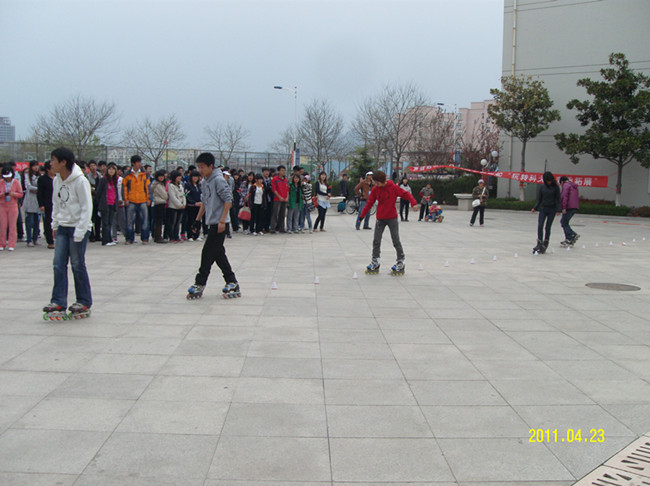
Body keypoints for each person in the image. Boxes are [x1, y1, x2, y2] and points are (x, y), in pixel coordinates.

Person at [42, 147, 93, 319]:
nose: (51, 163)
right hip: (63, 227)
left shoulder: (80, 181)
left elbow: (87, 208)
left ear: (63, 162)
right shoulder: (57, 180)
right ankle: (58, 300)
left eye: (53, 160)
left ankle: (83, 300)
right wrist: (55, 224)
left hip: (78, 227)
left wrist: (80, 232)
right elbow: (56, 204)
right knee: (58, 264)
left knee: (77, 265)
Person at [186, 152, 240, 299]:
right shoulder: (205, 182)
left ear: (211, 166)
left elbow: (228, 200)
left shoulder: (218, 180)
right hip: (211, 222)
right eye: (198, 167)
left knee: (207, 253)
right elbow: (204, 202)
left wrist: (222, 221)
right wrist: (197, 220)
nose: (200, 170)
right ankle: (232, 282)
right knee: (218, 254)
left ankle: (200, 283)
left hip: (219, 224)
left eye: (202, 167)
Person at [360, 170, 417, 275]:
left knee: (395, 240)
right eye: (375, 182)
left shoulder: (393, 188)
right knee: (376, 240)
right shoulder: (375, 190)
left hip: (392, 218)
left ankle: (400, 261)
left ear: (382, 181)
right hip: (380, 219)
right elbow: (369, 203)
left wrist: (413, 203)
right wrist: (361, 216)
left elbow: (406, 194)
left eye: (377, 182)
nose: (376, 184)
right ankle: (375, 261)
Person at [122, 155, 151, 244]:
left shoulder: (144, 174)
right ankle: (129, 238)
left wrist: (148, 199)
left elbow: (148, 187)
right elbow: (124, 188)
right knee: (130, 221)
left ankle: (145, 238)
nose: (139, 164)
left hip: (142, 200)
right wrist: (125, 199)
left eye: (140, 162)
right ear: (133, 163)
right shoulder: (127, 174)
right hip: (131, 200)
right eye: (138, 162)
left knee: (144, 220)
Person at [531, 171, 561, 254]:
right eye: (547, 181)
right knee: (540, 225)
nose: (549, 182)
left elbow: (558, 199)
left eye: (550, 180)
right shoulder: (542, 187)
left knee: (548, 227)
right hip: (543, 209)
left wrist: (558, 209)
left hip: (552, 209)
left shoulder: (556, 187)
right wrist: (535, 207)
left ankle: (546, 242)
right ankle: (539, 242)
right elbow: (539, 199)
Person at [95, 162, 120, 246]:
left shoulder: (114, 181)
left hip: (112, 203)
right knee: (105, 223)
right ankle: (105, 240)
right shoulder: (103, 180)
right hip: (105, 204)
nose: (111, 171)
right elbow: (98, 192)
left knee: (110, 223)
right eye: (110, 169)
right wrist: (98, 204)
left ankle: (109, 239)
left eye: (113, 169)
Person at [0, 163, 23, 251]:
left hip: (13, 206)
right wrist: (2, 194)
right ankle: (2, 243)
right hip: (2, 205)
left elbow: (20, 194)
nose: (7, 178)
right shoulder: (1, 182)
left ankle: (11, 243)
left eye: (8, 176)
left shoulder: (16, 182)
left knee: (12, 225)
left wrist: (14, 194)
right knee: (2, 225)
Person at [23, 160, 41, 246]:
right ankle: (29, 240)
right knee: (29, 222)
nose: (36, 167)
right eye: (34, 166)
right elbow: (28, 186)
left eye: (37, 165)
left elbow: (42, 186)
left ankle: (35, 239)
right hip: (30, 200)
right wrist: (37, 189)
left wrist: (38, 190)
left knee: (37, 222)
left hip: (38, 200)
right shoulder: (27, 175)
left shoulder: (40, 176)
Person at [37, 161, 55, 249]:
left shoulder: (58, 178)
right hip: (47, 203)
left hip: (58, 203)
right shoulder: (42, 179)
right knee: (48, 222)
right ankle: (50, 241)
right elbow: (39, 193)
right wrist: (41, 204)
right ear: (48, 169)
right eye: (52, 168)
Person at [559, 176, 580, 247]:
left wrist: (563, 207)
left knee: (563, 222)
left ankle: (572, 235)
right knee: (565, 222)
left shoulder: (566, 185)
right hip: (575, 207)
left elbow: (564, 196)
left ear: (562, 181)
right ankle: (569, 239)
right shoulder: (573, 186)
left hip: (568, 207)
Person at [166, 170, 186, 242]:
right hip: (173, 207)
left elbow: (183, 195)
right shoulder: (171, 185)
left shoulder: (180, 185)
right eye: (178, 177)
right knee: (172, 222)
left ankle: (176, 236)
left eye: (180, 176)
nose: (179, 178)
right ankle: (171, 236)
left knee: (178, 223)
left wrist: (184, 204)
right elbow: (172, 197)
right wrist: (179, 204)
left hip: (181, 206)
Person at [269, 165, 289, 233]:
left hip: (284, 199)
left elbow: (287, 189)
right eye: (282, 170)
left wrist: (287, 197)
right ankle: (273, 228)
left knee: (282, 214)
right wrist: (279, 197)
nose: (283, 172)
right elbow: (274, 189)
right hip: (277, 199)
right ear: (278, 171)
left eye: (284, 170)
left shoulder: (286, 180)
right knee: (275, 214)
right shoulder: (275, 179)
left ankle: (281, 228)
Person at [150, 169, 168, 243]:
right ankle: (158, 237)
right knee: (159, 221)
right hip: (159, 203)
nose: (161, 178)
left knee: (158, 221)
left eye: (162, 176)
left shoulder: (160, 184)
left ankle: (157, 236)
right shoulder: (158, 185)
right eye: (160, 176)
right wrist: (167, 195)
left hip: (160, 203)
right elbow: (164, 195)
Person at [86, 160, 102, 242]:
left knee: (98, 218)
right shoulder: (87, 177)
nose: (93, 167)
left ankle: (98, 235)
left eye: (94, 165)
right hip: (91, 199)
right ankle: (91, 235)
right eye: (91, 166)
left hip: (99, 199)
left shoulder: (100, 176)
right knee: (91, 218)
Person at [184, 170, 202, 241]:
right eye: (194, 177)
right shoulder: (188, 185)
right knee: (190, 220)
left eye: (197, 177)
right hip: (191, 206)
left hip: (199, 205)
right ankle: (190, 235)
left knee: (198, 220)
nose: (195, 178)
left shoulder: (199, 186)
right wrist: (194, 203)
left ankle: (196, 234)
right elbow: (187, 195)